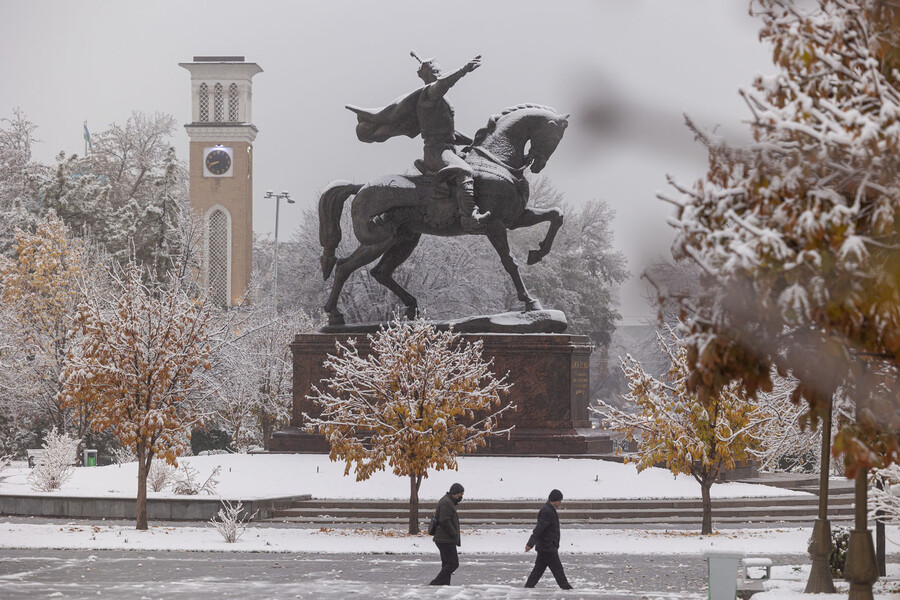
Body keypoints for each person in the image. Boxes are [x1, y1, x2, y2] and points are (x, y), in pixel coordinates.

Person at [346, 52, 491, 234]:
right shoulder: (428, 95)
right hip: (436, 153)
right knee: (465, 171)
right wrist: (463, 70)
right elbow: (443, 83)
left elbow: (449, 132)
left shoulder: (440, 99)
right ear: (428, 75)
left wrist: (473, 141)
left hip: (447, 149)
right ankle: (470, 217)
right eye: (435, 71)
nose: (439, 74)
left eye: (440, 70)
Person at [524, 488, 573, 589]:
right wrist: (530, 543)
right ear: (555, 500)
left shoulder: (549, 509)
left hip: (545, 546)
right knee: (558, 571)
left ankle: (527, 588)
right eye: (559, 500)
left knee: (538, 571)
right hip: (548, 547)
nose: (560, 502)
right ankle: (567, 590)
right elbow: (539, 529)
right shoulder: (547, 511)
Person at [429, 482, 464, 585]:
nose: (461, 496)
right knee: (453, 563)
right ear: (455, 493)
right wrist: (453, 533)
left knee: (447, 564)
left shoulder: (448, 501)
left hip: (444, 538)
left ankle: (444, 584)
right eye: (461, 494)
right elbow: (444, 520)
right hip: (445, 539)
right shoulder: (447, 502)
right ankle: (435, 583)